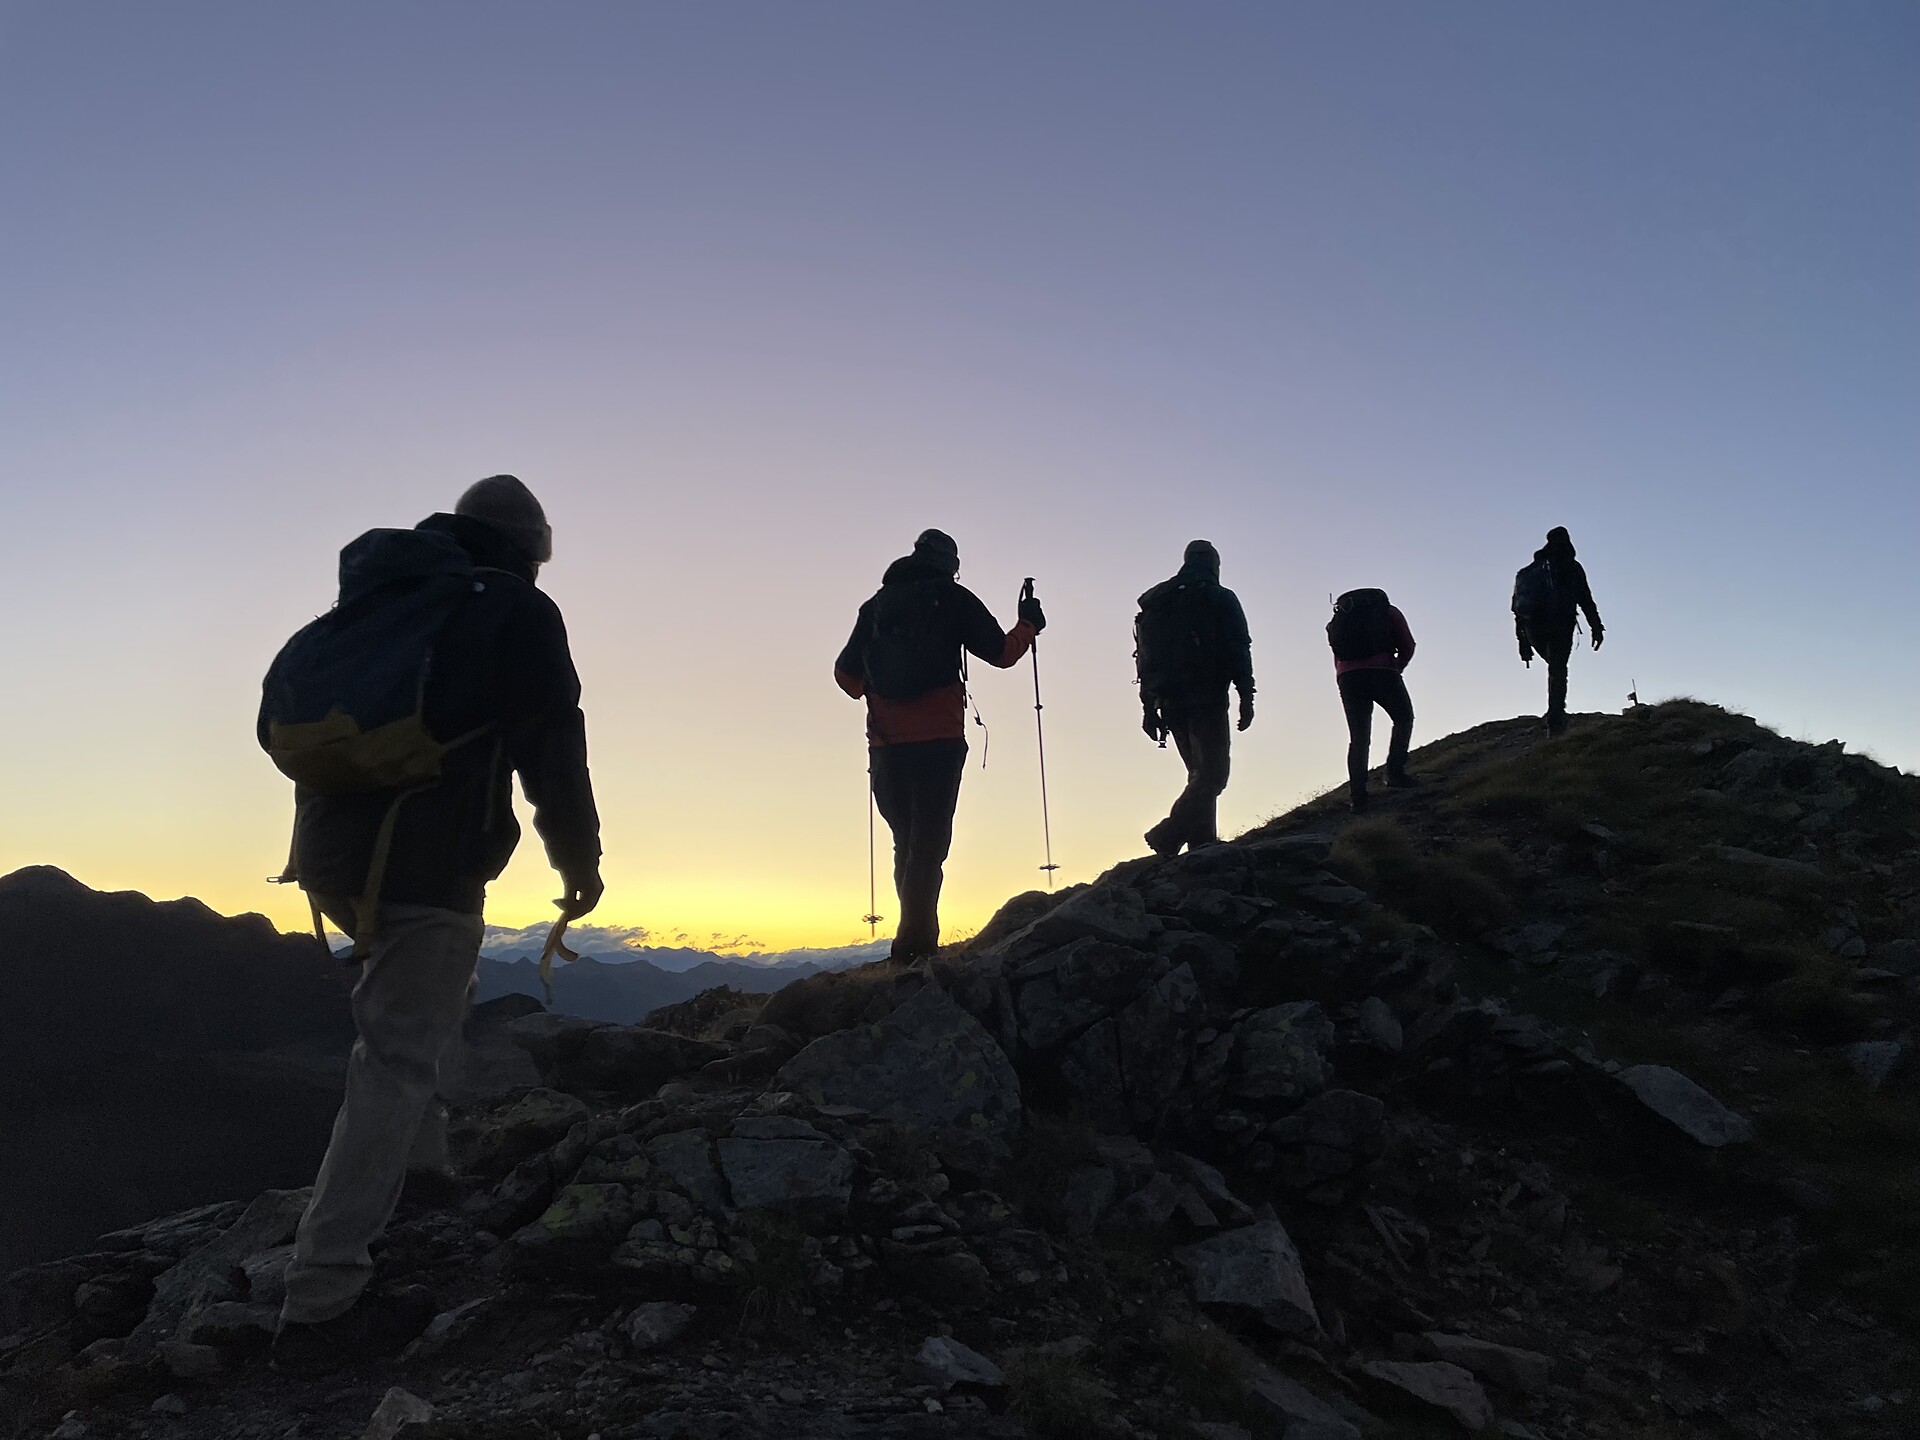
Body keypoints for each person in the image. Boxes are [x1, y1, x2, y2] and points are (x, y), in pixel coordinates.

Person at [261, 475, 601, 1372]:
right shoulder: (516, 614)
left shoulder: (387, 597)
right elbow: (553, 748)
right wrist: (579, 860)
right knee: (397, 1055)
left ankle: (422, 1175)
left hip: (335, 854)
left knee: (427, 1004)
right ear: (528, 548)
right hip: (424, 860)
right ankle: (321, 1301)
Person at [834, 529, 1043, 962]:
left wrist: (881, 691)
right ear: (951, 565)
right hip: (939, 743)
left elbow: (846, 676)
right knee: (927, 849)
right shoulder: (953, 599)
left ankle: (912, 942)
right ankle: (914, 951)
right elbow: (1002, 653)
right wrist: (1028, 625)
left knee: (906, 844)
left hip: (887, 747)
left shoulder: (875, 607)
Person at [1136, 540, 1255, 856]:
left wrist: (1148, 707)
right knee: (1214, 775)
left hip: (1168, 700)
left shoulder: (1158, 602)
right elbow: (1239, 646)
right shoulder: (1219, 597)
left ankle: (1202, 846)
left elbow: (1144, 659)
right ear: (1214, 564)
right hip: (1207, 696)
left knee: (1199, 775)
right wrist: (1247, 695)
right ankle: (1169, 833)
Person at [1326, 587, 1416, 811]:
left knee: (1359, 737)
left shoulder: (1338, 621)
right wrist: (1397, 667)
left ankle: (1358, 797)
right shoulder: (1388, 612)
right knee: (1403, 718)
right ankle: (1395, 773)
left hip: (1348, 678)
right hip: (1383, 671)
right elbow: (1408, 644)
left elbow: (1338, 657)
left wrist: (1345, 677)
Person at [1512, 526, 1604, 736]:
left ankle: (1555, 714)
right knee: (1558, 668)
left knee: (1556, 667)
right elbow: (1586, 600)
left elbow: (1518, 611)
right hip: (1560, 624)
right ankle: (1555, 718)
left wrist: (1524, 644)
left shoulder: (1529, 571)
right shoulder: (1572, 567)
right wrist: (1596, 627)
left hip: (1534, 629)